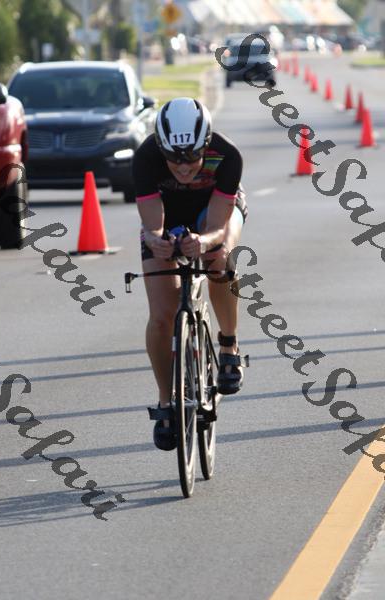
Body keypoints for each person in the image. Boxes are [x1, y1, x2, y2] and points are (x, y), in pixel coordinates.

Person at [132, 97, 248, 450]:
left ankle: (228, 344)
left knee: (218, 258)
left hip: (213, 213)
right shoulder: (146, 156)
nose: (183, 168)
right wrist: (157, 240)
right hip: (169, 214)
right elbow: (153, 224)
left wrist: (204, 241)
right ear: (162, 148)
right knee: (161, 317)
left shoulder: (227, 155)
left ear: (206, 144)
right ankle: (166, 402)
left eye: (192, 158)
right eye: (174, 159)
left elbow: (217, 226)